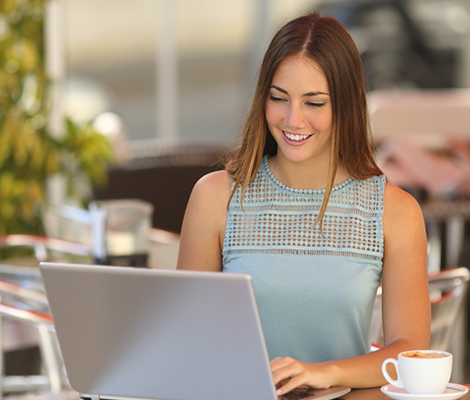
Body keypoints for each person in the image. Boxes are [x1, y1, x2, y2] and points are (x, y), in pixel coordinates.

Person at [176, 12, 431, 396]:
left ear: (346, 105)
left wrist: (324, 372)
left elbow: (410, 351)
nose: (293, 120)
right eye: (279, 98)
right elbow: (185, 339)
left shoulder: (395, 212)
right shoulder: (214, 197)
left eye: (314, 103)